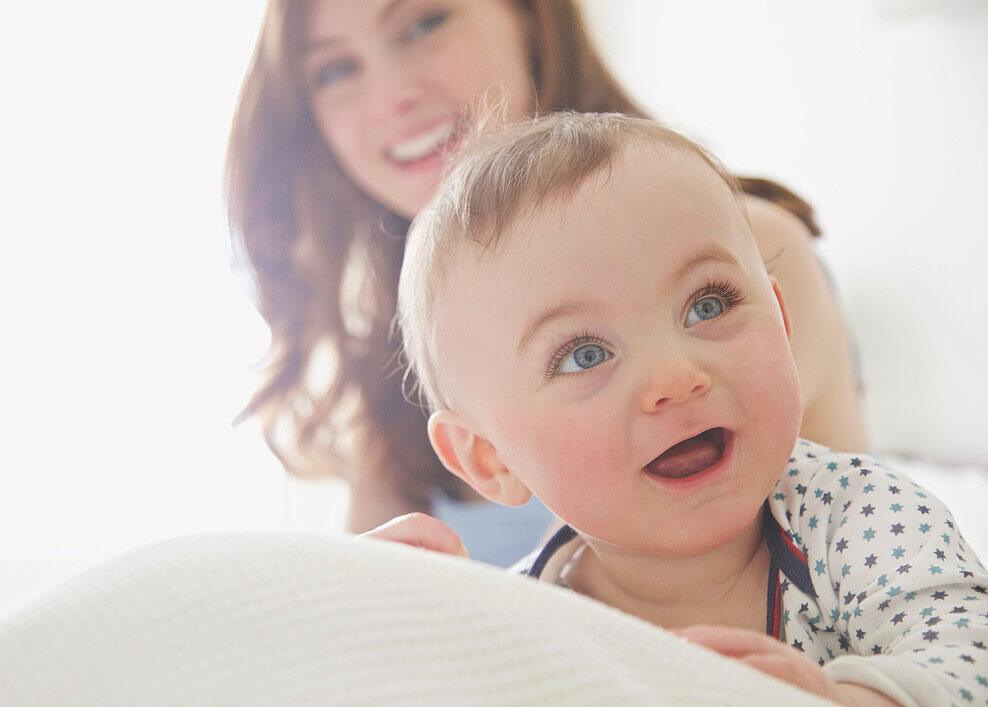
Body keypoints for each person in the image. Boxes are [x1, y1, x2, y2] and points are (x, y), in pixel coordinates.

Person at [379, 111, 988, 707]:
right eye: (584, 355)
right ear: (490, 458)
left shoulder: (859, 516)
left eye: (708, 304)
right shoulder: (517, 625)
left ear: (780, 317)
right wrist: (378, 627)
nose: (674, 374)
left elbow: (972, 664)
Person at [224, 0, 868, 565]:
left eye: (423, 22)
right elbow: (365, 595)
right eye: (335, 70)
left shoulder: (743, 251)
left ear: (529, 15)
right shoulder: (396, 363)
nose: (390, 94)